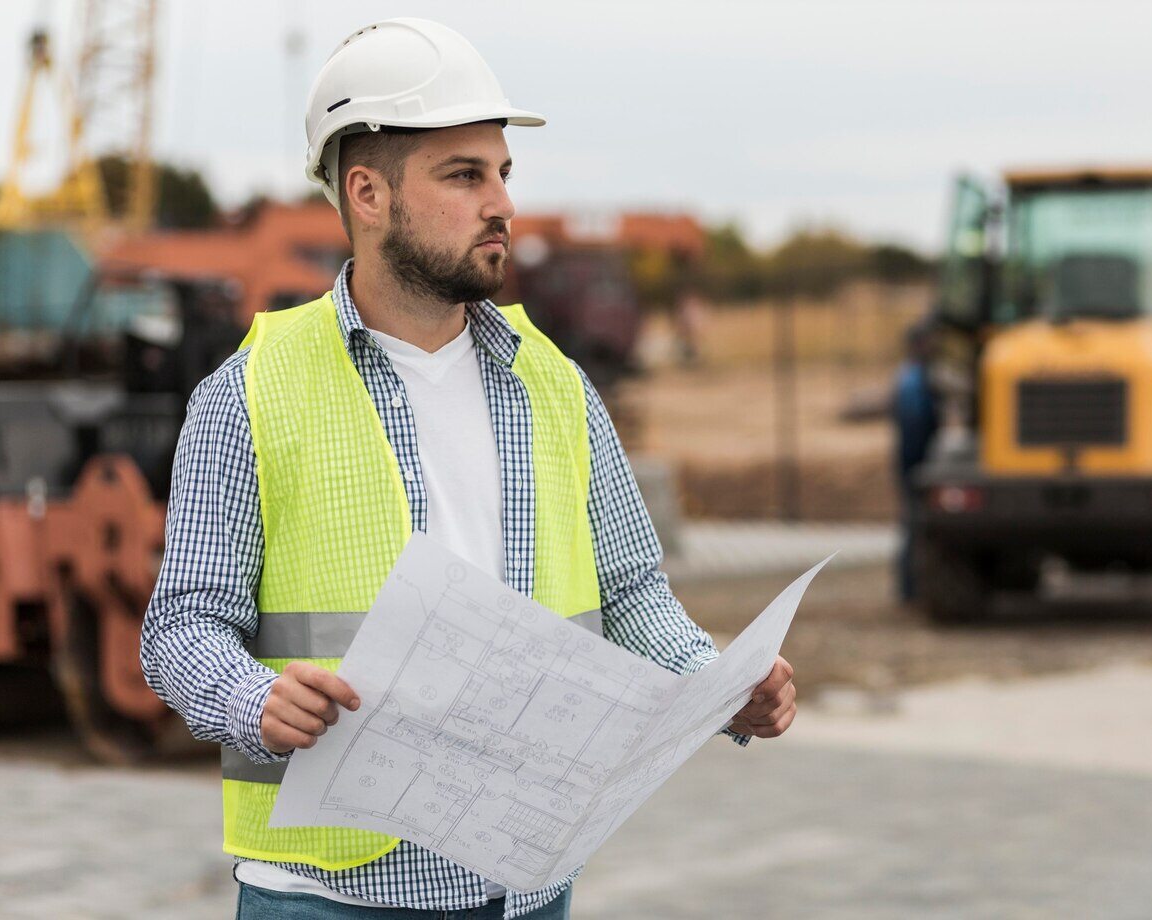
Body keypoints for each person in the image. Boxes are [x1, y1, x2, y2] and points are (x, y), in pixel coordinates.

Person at [139, 19, 796, 920]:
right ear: (367, 194)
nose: (503, 204)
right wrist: (252, 699)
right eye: (464, 175)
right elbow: (180, 627)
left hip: (523, 886)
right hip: (330, 896)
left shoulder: (556, 385)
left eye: (503, 173)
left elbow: (633, 592)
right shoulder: (249, 394)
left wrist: (716, 687)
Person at [892, 321, 941, 602]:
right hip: (914, 463)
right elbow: (915, 426)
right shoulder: (913, 381)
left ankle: (909, 587)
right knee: (912, 525)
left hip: (912, 462)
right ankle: (908, 588)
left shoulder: (912, 376)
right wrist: (918, 465)